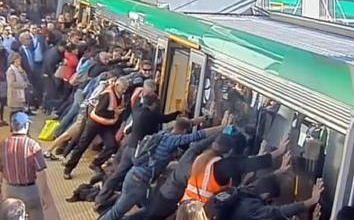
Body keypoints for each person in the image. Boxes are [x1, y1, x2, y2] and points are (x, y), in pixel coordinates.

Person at [99, 112, 233, 220]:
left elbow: (186, 123)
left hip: (137, 179)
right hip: (138, 183)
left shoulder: (165, 133)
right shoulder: (173, 140)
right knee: (119, 211)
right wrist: (221, 129)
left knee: (152, 208)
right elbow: (197, 136)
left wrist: (205, 118)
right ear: (184, 131)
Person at [95, 93, 181, 205]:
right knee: (142, 176)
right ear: (153, 104)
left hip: (129, 146)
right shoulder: (150, 115)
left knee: (118, 173)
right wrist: (179, 112)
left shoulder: (136, 109)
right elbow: (166, 118)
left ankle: (101, 198)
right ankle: (140, 202)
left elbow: (137, 100)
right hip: (139, 151)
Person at [63, 77, 129, 179]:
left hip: (106, 124)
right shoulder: (107, 94)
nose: (124, 91)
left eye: (126, 89)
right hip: (94, 123)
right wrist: (114, 112)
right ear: (117, 86)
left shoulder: (121, 95)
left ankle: (96, 163)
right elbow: (99, 111)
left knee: (112, 145)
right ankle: (68, 168)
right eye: (123, 88)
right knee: (82, 145)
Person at [0, 112, 51, 220]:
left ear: (12, 126)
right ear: (26, 126)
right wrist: (43, 195)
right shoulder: (33, 145)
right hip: (30, 190)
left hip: (9, 190)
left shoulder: (3, 145)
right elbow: (41, 173)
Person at [6, 53, 30, 120]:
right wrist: (23, 85)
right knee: (14, 112)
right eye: (18, 59)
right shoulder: (10, 71)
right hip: (14, 95)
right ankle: (12, 126)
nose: (20, 61)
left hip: (21, 95)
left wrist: (22, 72)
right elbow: (12, 83)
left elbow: (25, 78)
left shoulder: (20, 69)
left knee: (20, 111)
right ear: (14, 60)